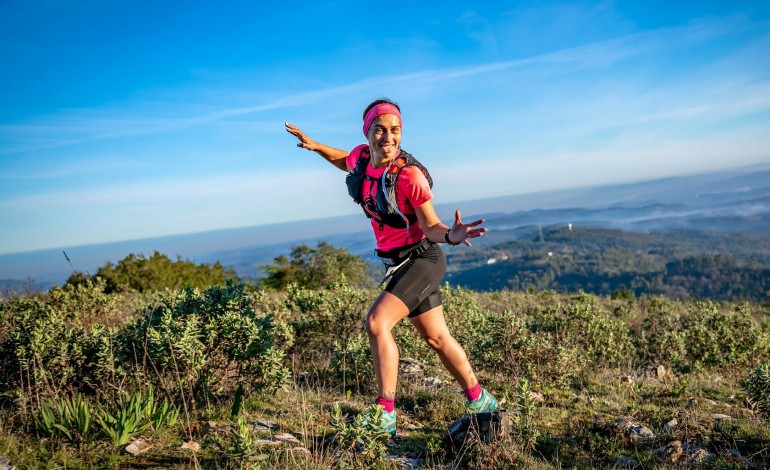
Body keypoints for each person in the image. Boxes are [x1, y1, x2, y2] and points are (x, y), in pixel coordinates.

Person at [285, 98, 497, 436]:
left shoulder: (409, 176)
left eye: (395, 130)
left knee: (376, 322)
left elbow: (431, 227)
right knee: (436, 338)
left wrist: (452, 235)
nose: (388, 137)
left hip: (422, 258)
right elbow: (346, 160)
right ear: (367, 132)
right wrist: (314, 147)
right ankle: (481, 399)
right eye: (380, 130)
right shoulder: (364, 157)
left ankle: (385, 413)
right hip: (397, 262)